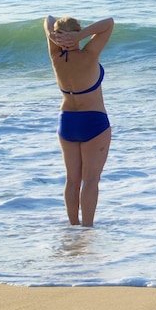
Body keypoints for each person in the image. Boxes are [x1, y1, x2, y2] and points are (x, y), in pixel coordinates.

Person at [44, 15, 114, 227]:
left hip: (66, 121)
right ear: (78, 32)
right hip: (93, 121)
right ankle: (88, 229)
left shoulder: (55, 55)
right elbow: (109, 23)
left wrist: (53, 36)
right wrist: (80, 36)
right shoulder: (89, 54)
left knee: (72, 180)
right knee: (91, 181)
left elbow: (47, 19)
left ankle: (73, 226)